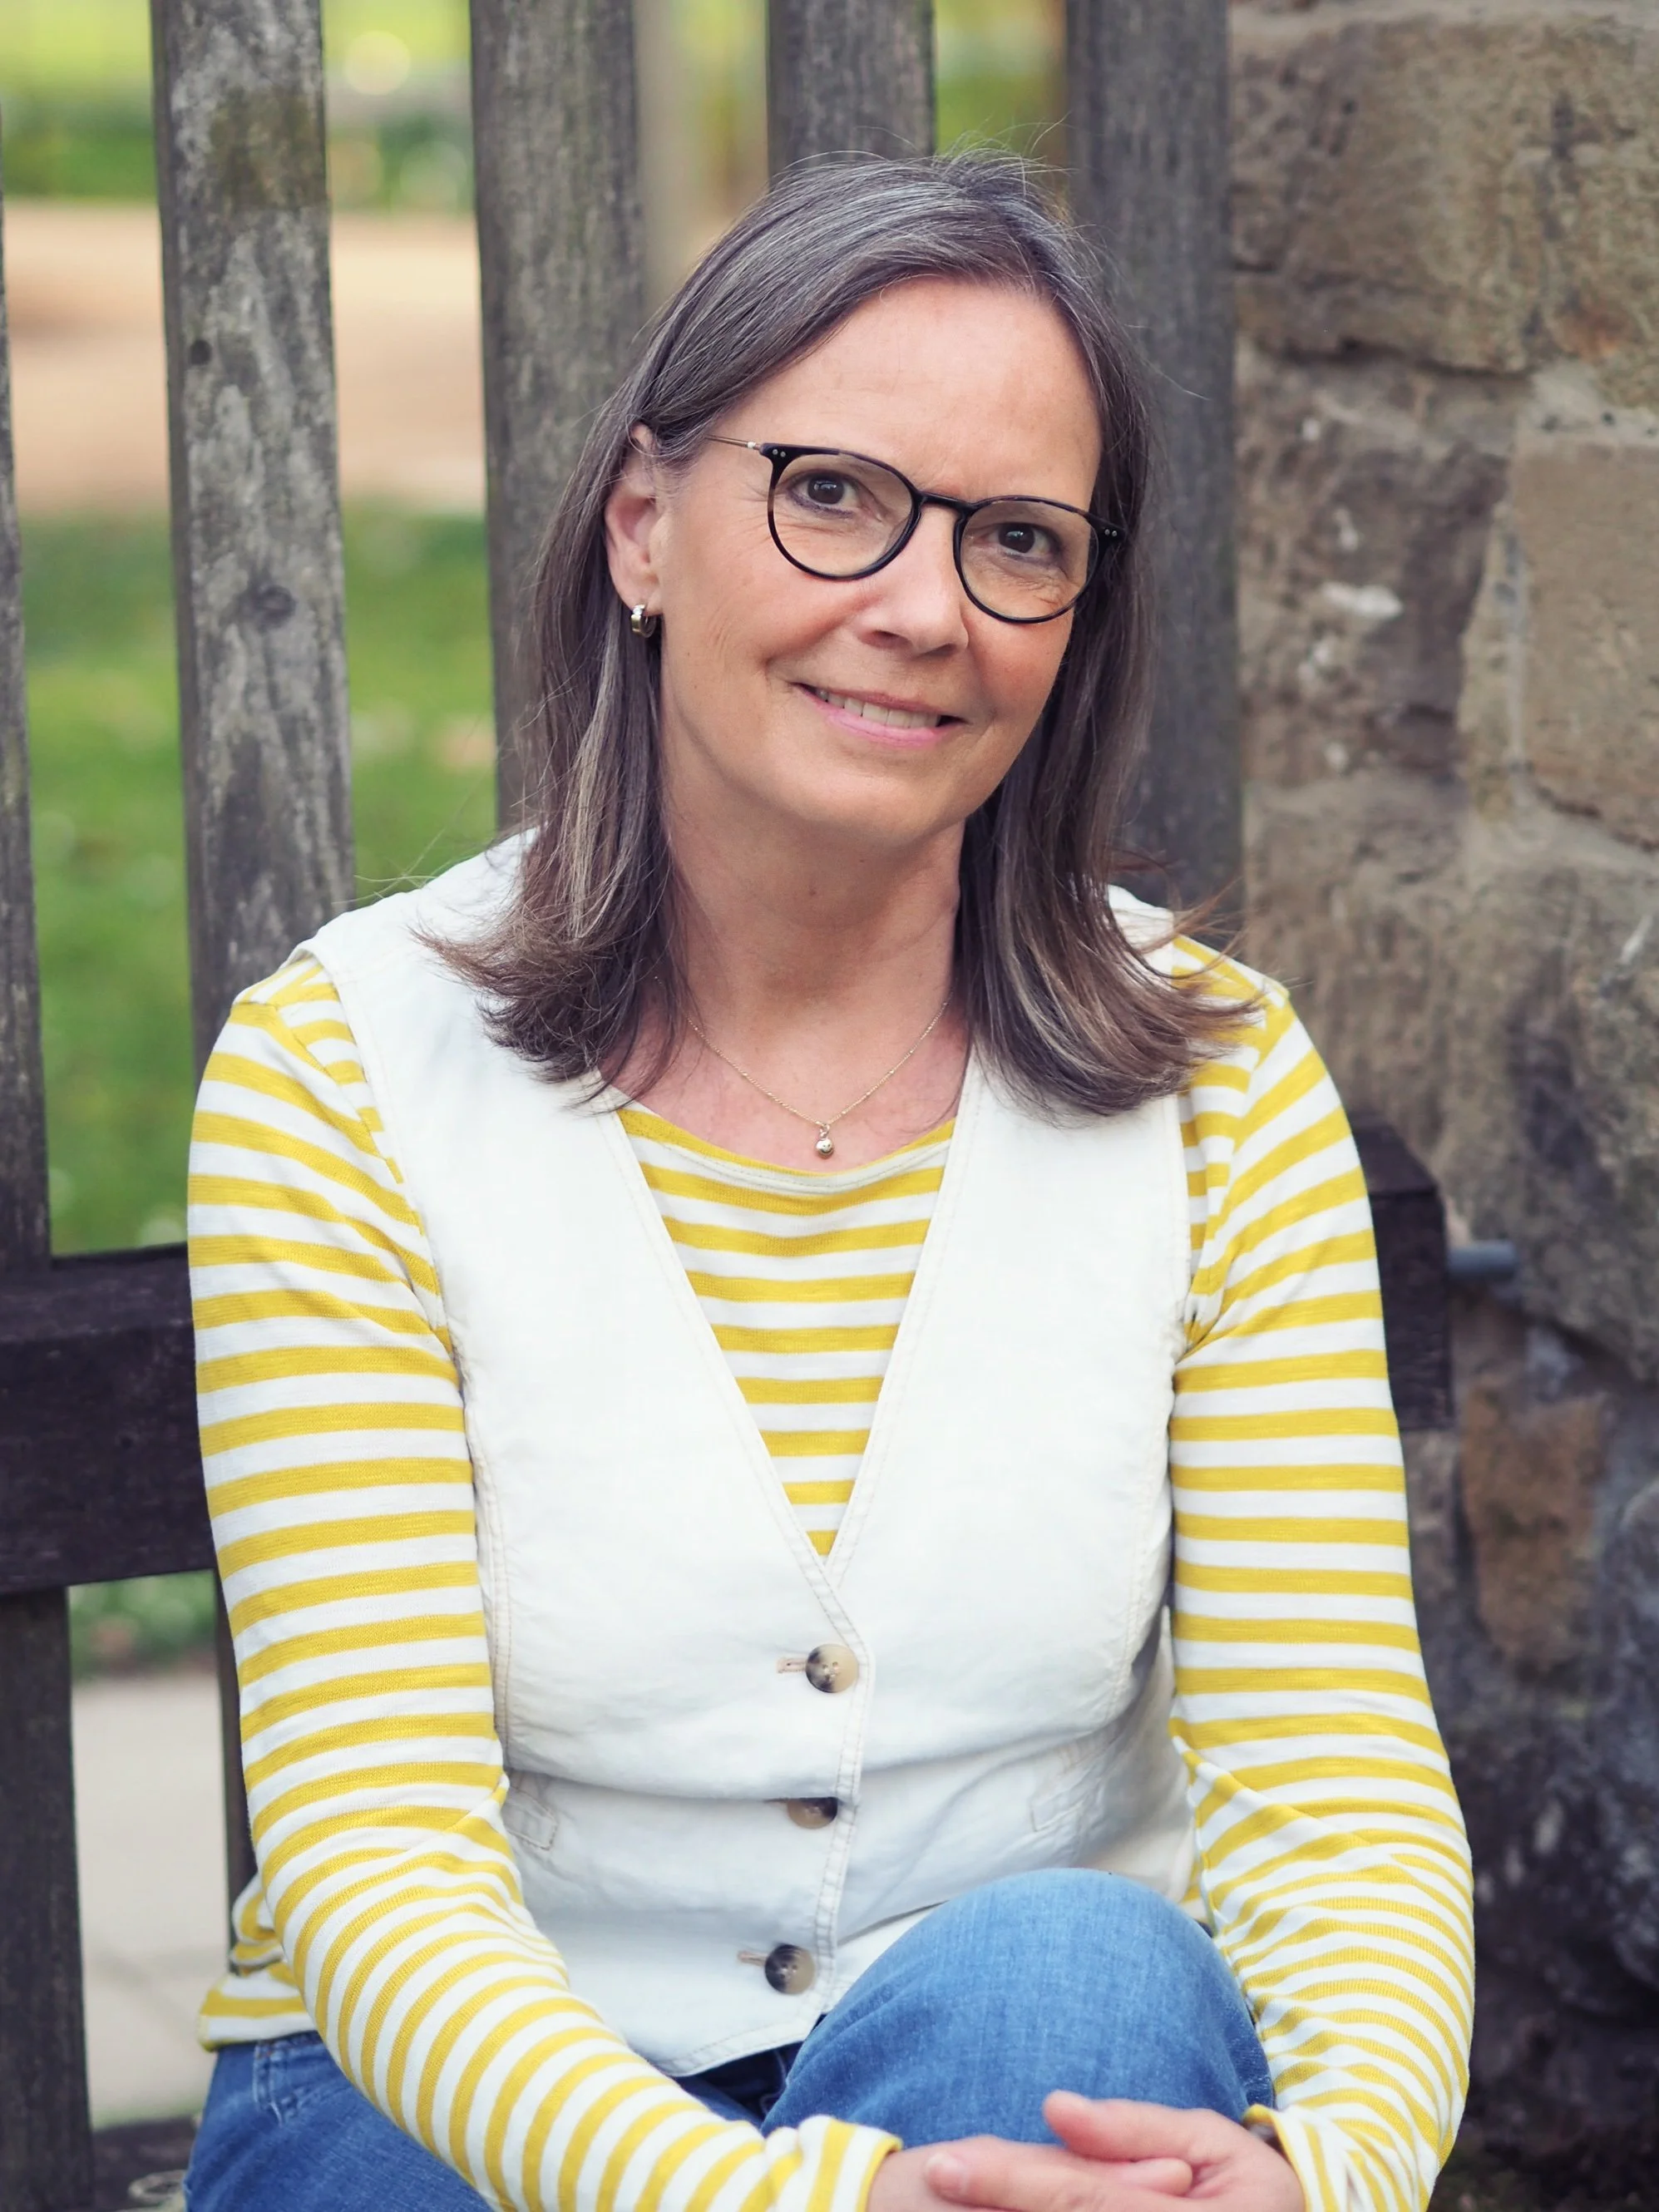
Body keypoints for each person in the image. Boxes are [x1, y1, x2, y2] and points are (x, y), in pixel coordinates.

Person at [180, 157, 1471, 2212]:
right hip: (442, 2109)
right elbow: (376, 1866)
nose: (926, 608)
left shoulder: (1216, 1081)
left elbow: (1340, 1804)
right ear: (641, 525)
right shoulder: (343, 1071)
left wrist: (1326, 2178)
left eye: (1017, 540)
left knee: (1074, 1975)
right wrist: (810, 2200)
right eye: (834, 494)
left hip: (1007, 2077)